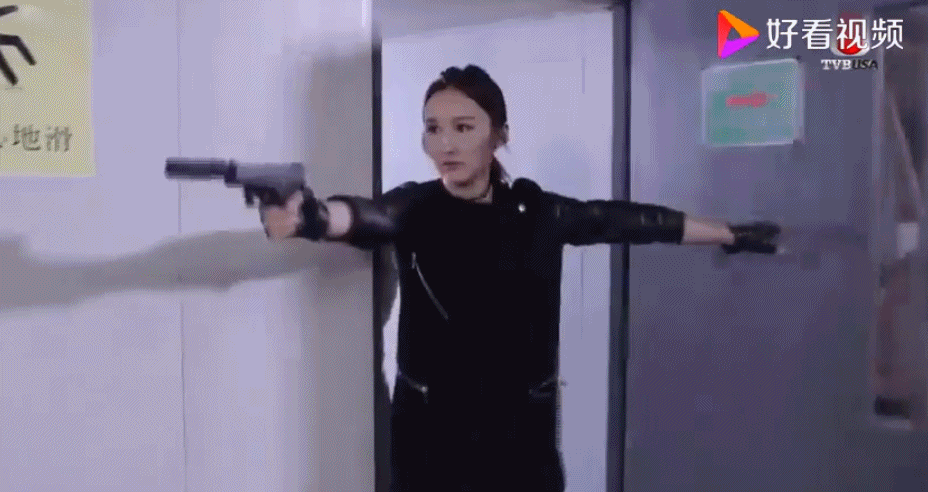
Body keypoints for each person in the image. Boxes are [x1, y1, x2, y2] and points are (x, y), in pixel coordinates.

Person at [260, 65, 779, 491]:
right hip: (431, 435)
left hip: (520, 437)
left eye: (463, 127)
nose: (445, 144)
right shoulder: (415, 207)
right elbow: (362, 216)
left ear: (499, 135)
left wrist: (728, 232)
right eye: (433, 128)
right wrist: (310, 218)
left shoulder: (537, 213)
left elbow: (629, 221)